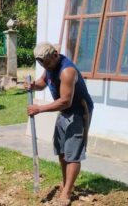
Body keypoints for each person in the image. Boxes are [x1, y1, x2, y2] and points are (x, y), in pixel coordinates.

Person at [26, 42, 93, 205]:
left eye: (47, 62)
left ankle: (67, 193)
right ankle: (65, 184)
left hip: (77, 111)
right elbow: (44, 82)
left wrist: (39, 109)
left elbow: (65, 101)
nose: (45, 66)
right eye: (42, 63)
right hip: (64, 112)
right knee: (62, 150)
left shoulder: (67, 71)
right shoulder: (49, 66)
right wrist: (34, 85)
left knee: (73, 153)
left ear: (55, 54)